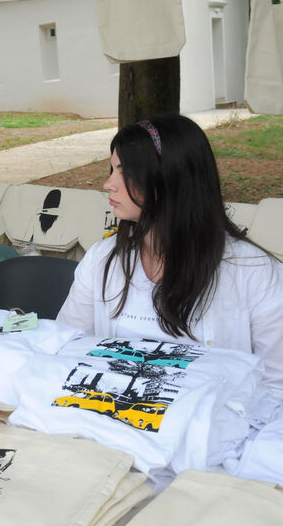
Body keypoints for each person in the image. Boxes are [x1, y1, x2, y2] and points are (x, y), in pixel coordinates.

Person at [55, 114, 283, 390]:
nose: (108, 184)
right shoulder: (103, 259)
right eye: (111, 169)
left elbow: (276, 385)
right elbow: (66, 347)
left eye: (124, 171)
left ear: (169, 179)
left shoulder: (253, 270)